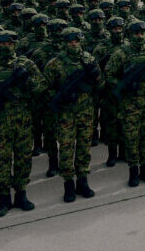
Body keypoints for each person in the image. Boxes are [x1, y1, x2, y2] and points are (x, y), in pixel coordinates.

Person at [0, 30, 47, 218]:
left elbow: (42, 86)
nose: (6, 47)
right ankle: (4, 199)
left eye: (10, 44)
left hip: (23, 121)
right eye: (3, 44)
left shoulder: (26, 65)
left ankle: (21, 195)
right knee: (2, 161)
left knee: (23, 159)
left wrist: (28, 82)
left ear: (15, 44)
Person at [44, 27, 102, 203]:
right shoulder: (55, 63)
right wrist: (60, 97)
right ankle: (68, 184)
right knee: (67, 149)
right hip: (65, 115)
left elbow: (101, 86)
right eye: (70, 41)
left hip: (85, 112)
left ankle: (83, 181)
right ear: (64, 42)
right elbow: (43, 89)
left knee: (84, 147)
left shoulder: (89, 61)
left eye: (76, 40)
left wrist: (95, 76)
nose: (73, 43)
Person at [104, 21, 145, 187]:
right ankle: (133, 170)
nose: (140, 36)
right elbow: (109, 75)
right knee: (131, 137)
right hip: (130, 104)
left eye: (142, 33)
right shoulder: (120, 54)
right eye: (136, 33)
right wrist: (124, 85)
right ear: (130, 35)